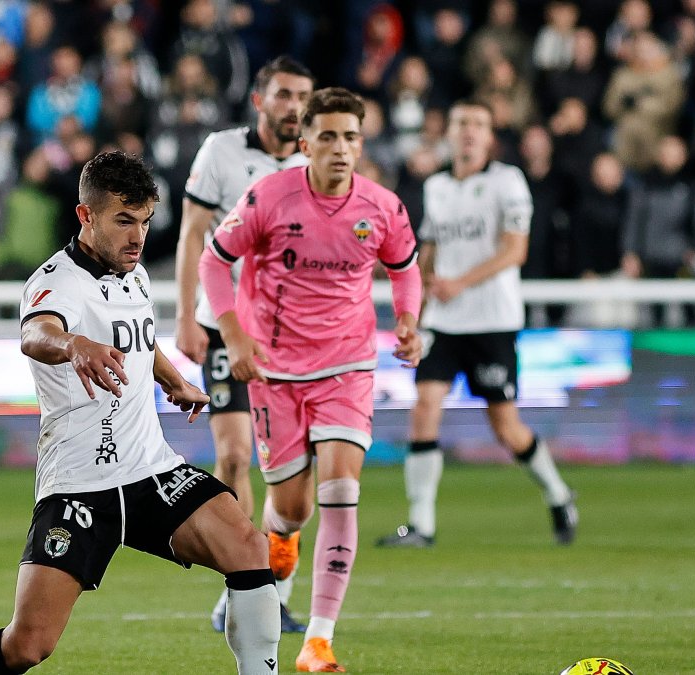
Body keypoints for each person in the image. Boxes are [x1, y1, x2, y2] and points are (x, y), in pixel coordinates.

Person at [0, 151, 281, 675]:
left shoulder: (134, 275)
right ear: (86, 215)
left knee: (250, 547)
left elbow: (139, 342)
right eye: (124, 220)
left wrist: (173, 380)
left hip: (149, 470)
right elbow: (36, 333)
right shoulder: (57, 280)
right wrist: (74, 344)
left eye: (144, 221)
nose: (137, 236)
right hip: (80, 484)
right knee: (28, 645)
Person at [200, 87, 424, 673]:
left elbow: (405, 269)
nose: (340, 149)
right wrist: (232, 333)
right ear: (305, 143)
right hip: (275, 372)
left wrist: (406, 321)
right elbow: (213, 261)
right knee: (292, 509)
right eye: (327, 137)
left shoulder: (382, 207)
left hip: (348, 367)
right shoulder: (269, 197)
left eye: (351, 137)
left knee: (343, 488)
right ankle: (283, 538)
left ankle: (318, 641)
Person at [376, 99, 578, 550]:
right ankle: (421, 525)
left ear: (490, 136)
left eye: (478, 124)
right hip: (444, 325)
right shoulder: (437, 187)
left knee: (505, 427)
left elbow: (515, 250)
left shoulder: (508, 181)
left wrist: (459, 283)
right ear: (448, 132)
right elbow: (427, 254)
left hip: (492, 322)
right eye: (461, 122)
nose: (468, 131)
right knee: (424, 408)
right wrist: (415, 317)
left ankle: (559, 493)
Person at [174, 54, 314, 635]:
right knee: (233, 455)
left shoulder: (318, 163)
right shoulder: (221, 152)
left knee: (292, 475)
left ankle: (271, 586)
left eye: (302, 96)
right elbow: (190, 235)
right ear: (259, 100)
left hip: (294, 335)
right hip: (225, 324)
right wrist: (186, 316)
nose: (294, 107)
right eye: (283, 94)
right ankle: (244, 579)